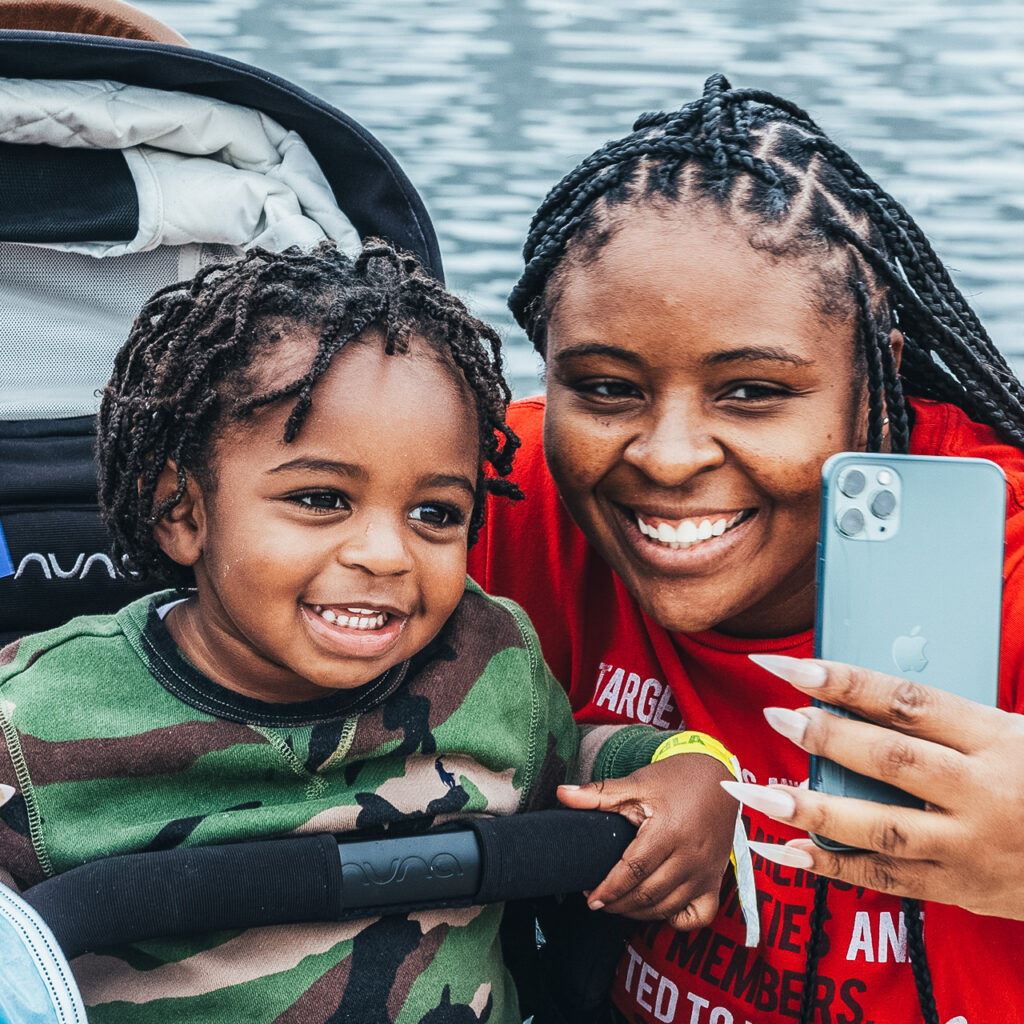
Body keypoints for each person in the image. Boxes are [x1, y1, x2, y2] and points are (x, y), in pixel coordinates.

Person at [0, 241, 736, 1023]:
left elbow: (575, 758)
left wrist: (688, 769)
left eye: (435, 514)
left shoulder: (489, 662)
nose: (387, 554)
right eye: (321, 500)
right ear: (183, 512)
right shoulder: (36, 718)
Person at [469, 74, 1024, 1024]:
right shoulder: (488, 500)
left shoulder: (1000, 568)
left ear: (873, 375)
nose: (668, 455)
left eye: (753, 393)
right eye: (604, 388)